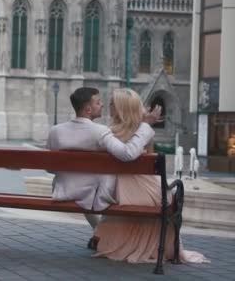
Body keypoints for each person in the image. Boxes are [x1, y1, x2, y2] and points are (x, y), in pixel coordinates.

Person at [92, 89, 208, 263]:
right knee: (165, 198)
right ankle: (153, 246)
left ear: (122, 109)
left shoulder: (107, 133)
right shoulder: (144, 134)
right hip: (150, 192)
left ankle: (121, 242)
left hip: (119, 192)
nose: (108, 106)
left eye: (112, 104)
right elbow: (150, 166)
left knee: (134, 197)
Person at [48, 87, 160, 232]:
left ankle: (99, 232)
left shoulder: (55, 131)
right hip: (91, 194)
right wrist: (146, 126)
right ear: (88, 109)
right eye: (98, 102)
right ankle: (101, 232)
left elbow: (50, 168)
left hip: (63, 191)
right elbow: (128, 154)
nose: (102, 104)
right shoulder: (101, 131)